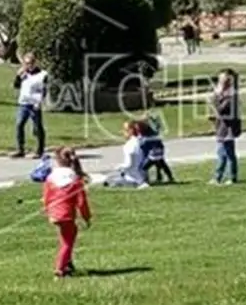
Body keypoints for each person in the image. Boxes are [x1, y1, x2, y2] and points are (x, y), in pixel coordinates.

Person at [41, 146, 92, 279]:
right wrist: (86, 217)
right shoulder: (75, 180)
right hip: (67, 215)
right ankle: (60, 269)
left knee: (65, 237)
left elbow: (46, 197)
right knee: (68, 242)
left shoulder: (51, 177)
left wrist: (47, 209)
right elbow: (82, 203)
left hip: (54, 214)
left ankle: (68, 264)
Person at [12, 53, 49, 159]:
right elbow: (16, 86)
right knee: (19, 124)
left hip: (34, 104)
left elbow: (44, 90)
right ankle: (20, 149)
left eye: (31, 63)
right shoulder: (24, 74)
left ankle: (40, 150)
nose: (29, 65)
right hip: (23, 103)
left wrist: (39, 102)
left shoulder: (42, 74)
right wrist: (18, 76)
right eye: (27, 63)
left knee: (37, 127)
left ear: (35, 62)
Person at [209, 68, 241, 185]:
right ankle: (219, 177)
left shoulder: (231, 96)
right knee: (222, 154)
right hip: (220, 129)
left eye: (222, 80)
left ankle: (231, 177)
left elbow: (221, 109)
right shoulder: (223, 95)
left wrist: (213, 100)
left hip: (228, 130)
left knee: (227, 154)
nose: (220, 83)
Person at [103, 121, 149, 188]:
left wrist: (119, 167)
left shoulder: (129, 145)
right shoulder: (140, 142)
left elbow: (129, 165)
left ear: (131, 131)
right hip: (142, 175)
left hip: (132, 178)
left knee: (109, 181)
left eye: (125, 130)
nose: (123, 133)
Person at [139, 115, 175, 184]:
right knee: (162, 164)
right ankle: (168, 177)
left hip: (154, 153)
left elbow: (144, 146)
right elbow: (157, 126)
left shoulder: (146, 134)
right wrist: (153, 119)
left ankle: (145, 181)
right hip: (160, 149)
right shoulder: (154, 131)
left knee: (143, 168)